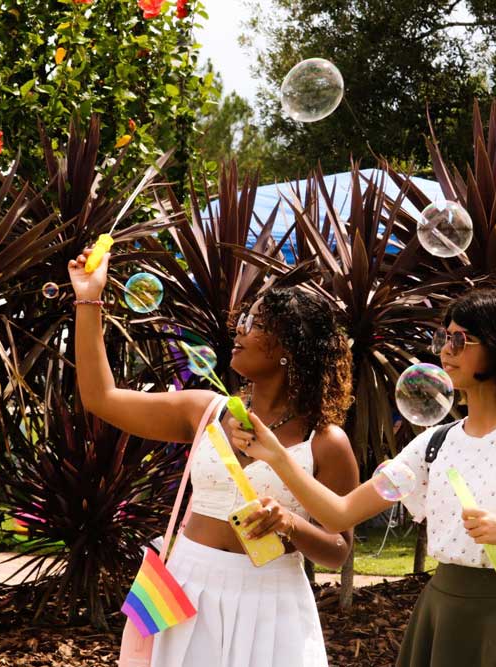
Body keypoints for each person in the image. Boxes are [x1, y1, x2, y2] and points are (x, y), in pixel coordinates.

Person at [230, 287, 496, 666]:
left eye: (460, 339)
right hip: (442, 618)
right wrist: (278, 457)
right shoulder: (434, 444)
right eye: (444, 337)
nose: (446, 350)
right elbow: (339, 515)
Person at [68, 248, 358, 667]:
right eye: (242, 320)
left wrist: (289, 523)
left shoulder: (326, 443)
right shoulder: (205, 411)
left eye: (255, 324)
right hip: (187, 588)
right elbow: (101, 398)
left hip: (271, 601)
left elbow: (338, 550)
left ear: (288, 349)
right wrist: (88, 298)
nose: (238, 331)